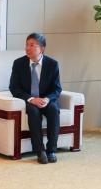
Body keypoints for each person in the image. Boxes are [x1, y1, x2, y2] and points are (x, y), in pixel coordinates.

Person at [9, 33, 63, 164]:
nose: (27, 48)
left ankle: (51, 150)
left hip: (46, 99)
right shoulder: (19, 63)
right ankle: (40, 151)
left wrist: (47, 99)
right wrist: (31, 99)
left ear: (42, 48)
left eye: (32, 45)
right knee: (33, 111)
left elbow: (57, 89)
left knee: (54, 110)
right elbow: (14, 88)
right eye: (27, 45)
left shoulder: (52, 64)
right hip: (29, 100)